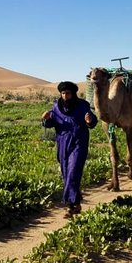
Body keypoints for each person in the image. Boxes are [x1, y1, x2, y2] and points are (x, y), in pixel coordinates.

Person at [42, 81, 98, 217]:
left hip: (79, 142)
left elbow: (92, 121)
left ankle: (70, 205)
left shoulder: (82, 106)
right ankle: (76, 203)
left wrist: (90, 121)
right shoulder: (56, 107)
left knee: (73, 171)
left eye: (68, 93)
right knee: (66, 172)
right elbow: (50, 123)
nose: (65, 96)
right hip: (62, 143)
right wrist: (45, 119)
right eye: (63, 93)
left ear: (73, 94)